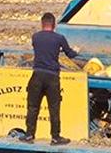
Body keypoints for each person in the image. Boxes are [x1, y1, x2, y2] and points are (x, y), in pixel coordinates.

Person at [23, 12, 82, 145]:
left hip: (37, 75)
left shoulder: (35, 37)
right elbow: (70, 54)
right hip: (52, 77)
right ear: (54, 25)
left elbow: (42, 49)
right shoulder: (59, 38)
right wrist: (77, 50)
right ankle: (55, 137)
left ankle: (29, 135)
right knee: (54, 108)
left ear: (42, 24)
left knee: (32, 107)